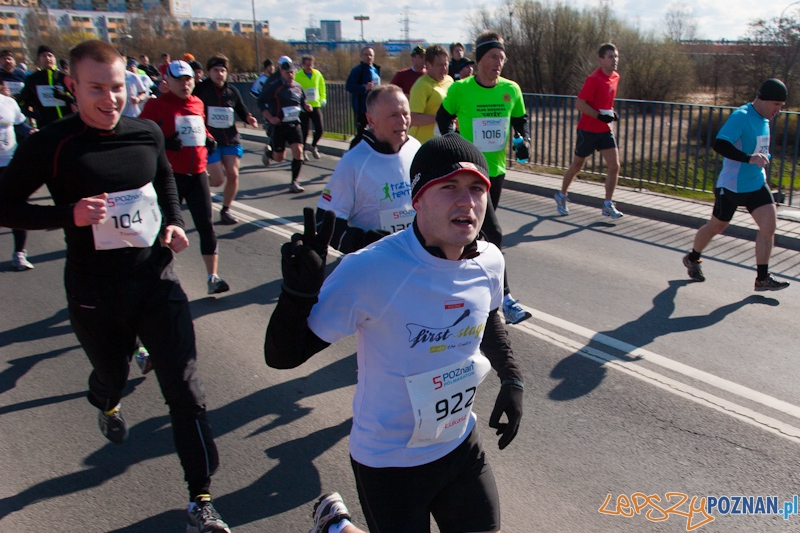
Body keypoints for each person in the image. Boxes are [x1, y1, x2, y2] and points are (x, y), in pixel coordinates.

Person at [0, 39, 230, 533]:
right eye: (96, 89)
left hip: (156, 279)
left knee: (185, 390)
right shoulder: (52, 143)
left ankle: (201, 499)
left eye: (118, 86)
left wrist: (174, 223)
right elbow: (4, 205)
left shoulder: (144, 132)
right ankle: (105, 399)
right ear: (72, 86)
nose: (110, 99)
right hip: (95, 291)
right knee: (113, 373)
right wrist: (69, 214)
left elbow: (165, 183)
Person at [266, 133, 524, 533]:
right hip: (389, 463)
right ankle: (336, 526)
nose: (467, 202)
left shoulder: (490, 260)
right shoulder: (371, 269)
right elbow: (283, 356)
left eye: (477, 189)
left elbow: (488, 316)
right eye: (450, 187)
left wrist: (512, 378)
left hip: (459, 445)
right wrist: (296, 296)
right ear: (417, 198)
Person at [437, 30, 532, 325]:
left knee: (477, 235)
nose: (498, 63)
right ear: (479, 60)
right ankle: (505, 299)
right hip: (470, 174)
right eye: (492, 57)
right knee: (493, 232)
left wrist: (524, 140)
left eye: (502, 58)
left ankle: (454, 286)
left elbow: (520, 119)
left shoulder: (511, 89)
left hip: (497, 172)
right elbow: (443, 117)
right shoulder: (461, 89)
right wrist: (453, 142)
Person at [683, 78, 790, 291]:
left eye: (781, 106)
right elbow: (720, 144)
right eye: (776, 104)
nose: (778, 110)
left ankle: (762, 278)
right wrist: (749, 158)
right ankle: (692, 258)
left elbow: (759, 149)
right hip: (732, 185)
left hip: (756, 183)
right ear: (763, 99)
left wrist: (762, 163)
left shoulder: (764, 119)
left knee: (769, 225)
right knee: (717, 226)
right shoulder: (741, 116)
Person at [140, 60, 230, 295]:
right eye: (178, 80)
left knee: (206, 225)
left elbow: (200, 127)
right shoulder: (156, 105)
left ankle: (213, 277)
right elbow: (140, 135)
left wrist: (209, 138)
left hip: (197, 173)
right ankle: (160, 275)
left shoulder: (197, 102)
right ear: (167, 81)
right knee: (166, 227)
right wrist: (164, 142)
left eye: (188, 79)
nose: (184, 84)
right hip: (170, 176)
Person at [317, 84, 420, 252]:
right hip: (374, 260)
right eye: (393, 115)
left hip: (414, 255)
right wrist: (368, 243)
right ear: (371, 120)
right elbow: (325, 222)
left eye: (405, 114)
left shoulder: (415, 148)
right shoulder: (353, 162)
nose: (402, 121)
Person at [554, 43, 623, 219]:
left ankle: (607, 204)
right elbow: (579, 104)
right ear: (601, 60)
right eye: (610, 56)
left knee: (614, 166)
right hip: (588, 130)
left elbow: (605, 102)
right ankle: (562, 195)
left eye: (616, 56)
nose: (614, 60)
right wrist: (599, 116)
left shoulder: (615, 77)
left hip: (605, 130)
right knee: (577, 165)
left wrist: (610, 113)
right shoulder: (594, 79)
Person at [194, 53, 258, 225]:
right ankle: (195, 183)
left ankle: (226, 210)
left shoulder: (232, 91)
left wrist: (249, 119)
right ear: (209, 72)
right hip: (209, 140)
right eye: (216, 70)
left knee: (233, 175)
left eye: (223, 71)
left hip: (230, 138)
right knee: (217, 180)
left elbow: (241, 110)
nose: (220, 74)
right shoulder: (200, 90)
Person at [258, 58, 312, 193]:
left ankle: (294, 182)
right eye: (287, 72)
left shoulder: (298, 87)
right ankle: (269, 153)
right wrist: (270, 118)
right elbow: (260, 102)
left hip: (294, 124)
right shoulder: (274, 87)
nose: (290, 75)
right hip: (279, 126)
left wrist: (306, 106)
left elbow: (302, 101)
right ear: (281, 72)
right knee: (279, 157)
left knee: (298, 151)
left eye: (292, 72)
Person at [0, 87, 35, 270]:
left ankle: (19, 254)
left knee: (16, 207)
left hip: (9, 162)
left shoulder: (8, 102)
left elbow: (20, 125)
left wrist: (32, 132)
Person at [18, 45, 75, 128]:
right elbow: (22, 103)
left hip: (67, 123)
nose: (47, 58)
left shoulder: (64, 77)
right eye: (44, 56)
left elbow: (79, 100)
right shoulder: (33, 79)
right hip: (45, 126)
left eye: (50, 55)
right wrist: (35, 115)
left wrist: (65, 96)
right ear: (39, 59)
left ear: (55, 58)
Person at [408, 44, 452, 144]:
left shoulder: (449, 81)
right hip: (422, 143)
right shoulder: (421, 85)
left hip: (442, 141)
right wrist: (439, 118)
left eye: (446, 64)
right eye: (440, 65)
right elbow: (413, 118)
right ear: (428, 65)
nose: (444, 68)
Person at [346, 46, 380, 149]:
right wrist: (364, 87)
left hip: (374, 106)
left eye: (371, 55)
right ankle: (350, 153)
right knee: (361, 133)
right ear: (361, 56)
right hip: (362, 108)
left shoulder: (376, 69)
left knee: (376, 131)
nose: (368, 57)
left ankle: (371, 151)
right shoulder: (357, 70)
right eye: (366, 55)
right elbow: (349, 86)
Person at [294, 55, 327, 160]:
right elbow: (294, 90)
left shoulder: (317, 74)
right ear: (303, 65)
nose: (309, 67)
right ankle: (303, 151)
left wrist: (323, 98)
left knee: (320, 129)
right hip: (303, 107)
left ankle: (313, 146)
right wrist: (300, 103)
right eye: (307, 65)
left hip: (315, 105)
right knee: (304, 131)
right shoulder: (298, 76)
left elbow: (322, 86)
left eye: (311, 65)